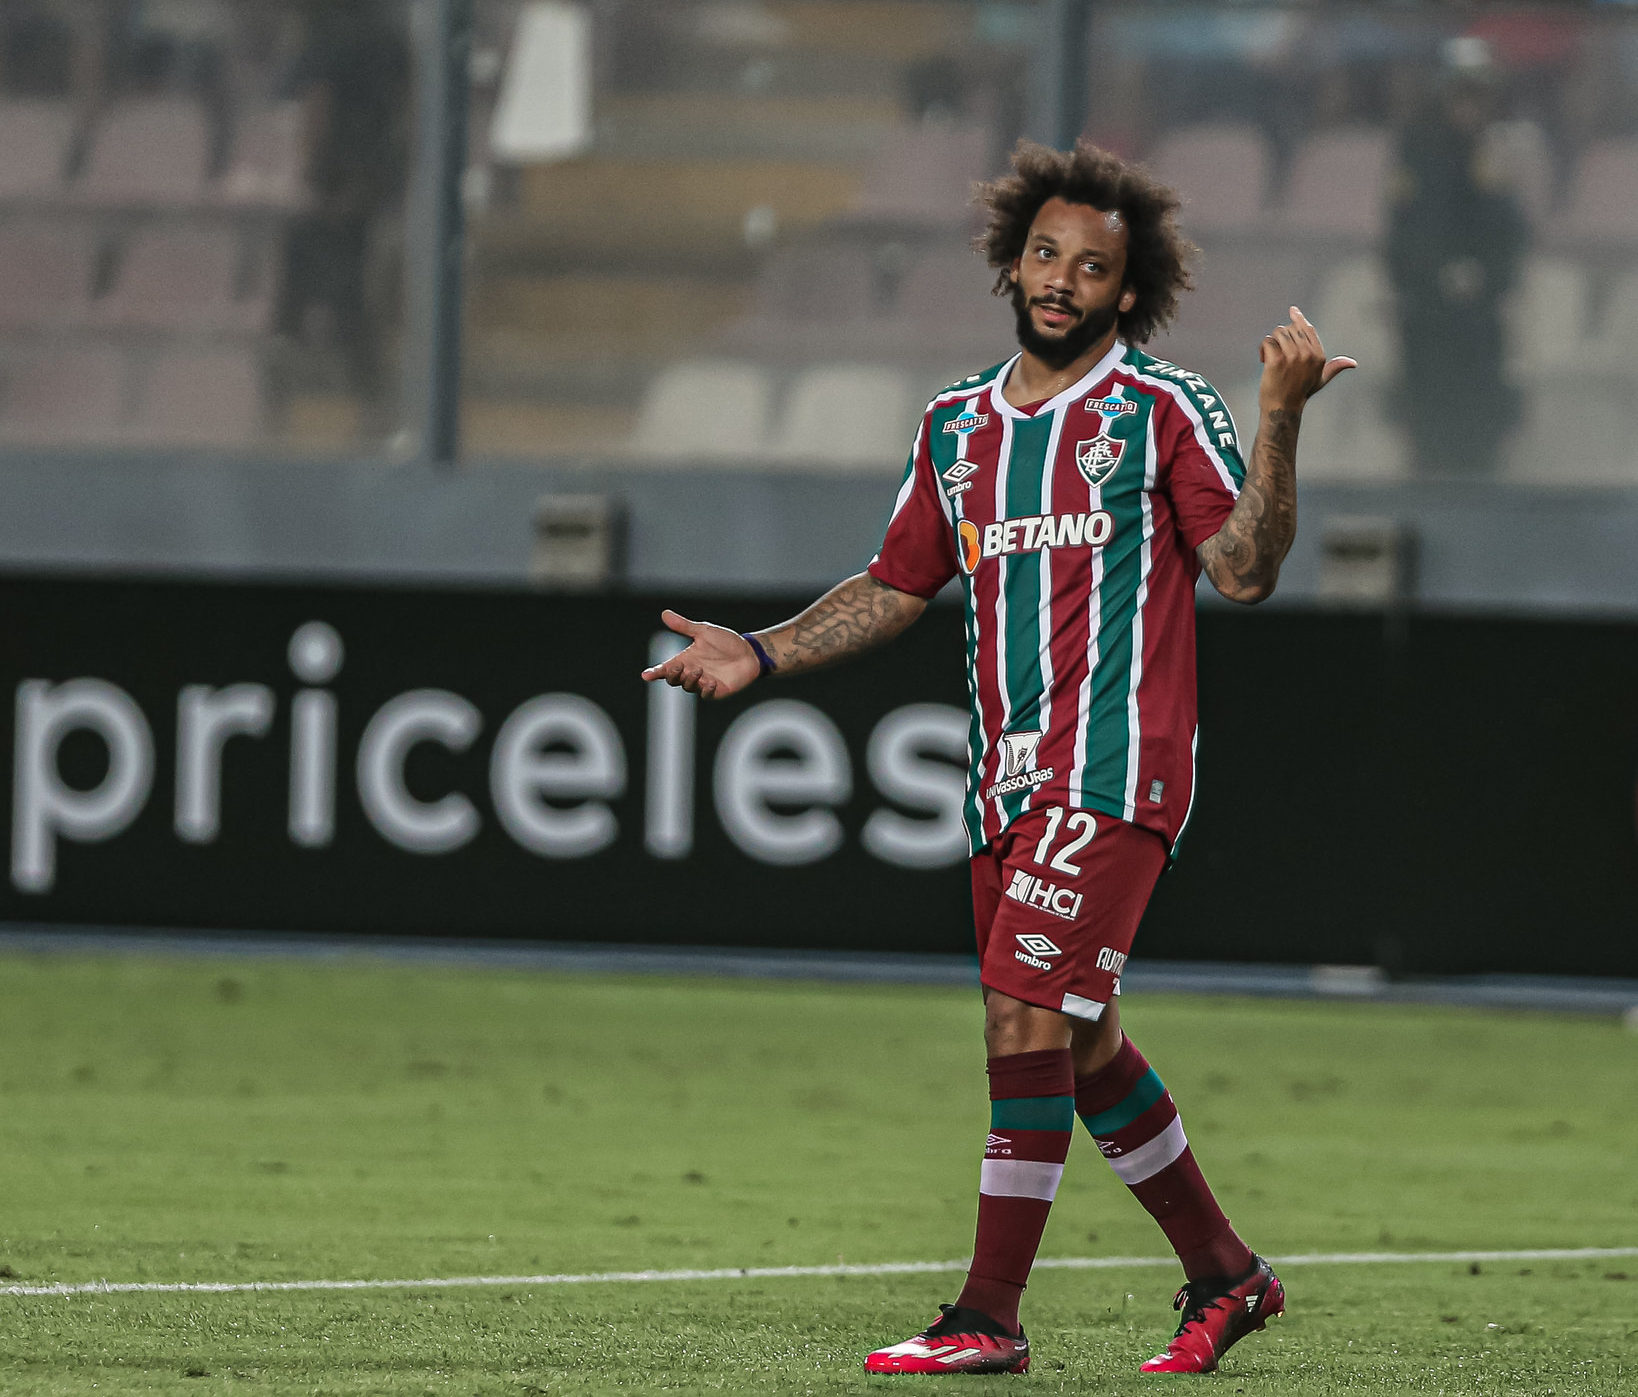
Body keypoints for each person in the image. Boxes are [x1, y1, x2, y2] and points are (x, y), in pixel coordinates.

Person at [642, 138, 1353, 1379]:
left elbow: (1242, 571)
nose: (1062, 279)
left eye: (1092, 265)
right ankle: (1230, 1276)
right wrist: (759, 650)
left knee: (1024, 1007)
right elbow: (895, 583)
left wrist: (1281, 419)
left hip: (1116, 765)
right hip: (1006, 780)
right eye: (1044, 254)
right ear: (1011, 264)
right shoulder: (957, 425)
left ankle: (986, 1314)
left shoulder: (1161, 408)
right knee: (1080, 1042)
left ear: (1128, 290)